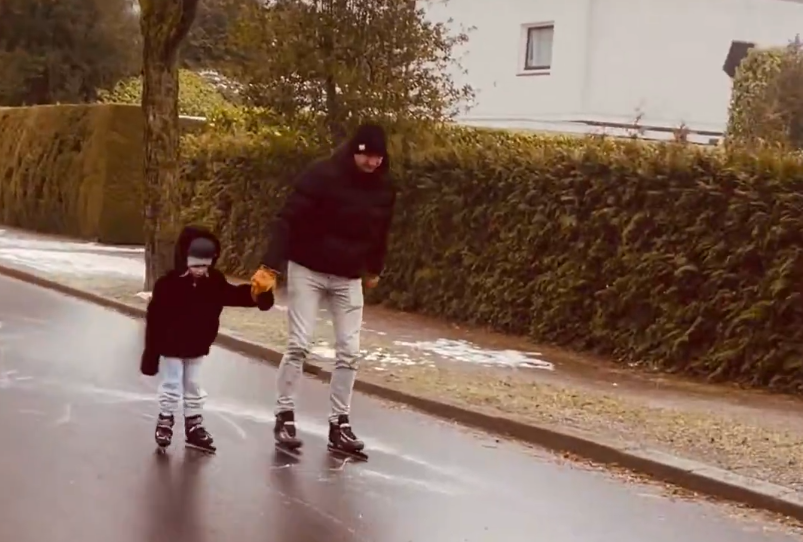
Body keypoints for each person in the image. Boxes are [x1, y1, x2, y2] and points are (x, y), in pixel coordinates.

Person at [250, 123, 396, 455]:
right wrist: (270, 266)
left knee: (349, 351)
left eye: (379, 157)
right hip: (309, 269)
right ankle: (284, 415)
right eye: (369, 156)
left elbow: (380, 231)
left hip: (348, 276)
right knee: (299, 344)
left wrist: (374, 268)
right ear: (356, 151)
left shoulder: (384, 188)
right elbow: (286, 219)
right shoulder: (321, 175)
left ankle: (339, 424)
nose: (374, 163)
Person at [141, 225, 275, 453]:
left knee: (193, 385)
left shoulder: (214, 281)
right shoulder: (168, 284)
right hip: (171, 345)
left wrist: (258, 295)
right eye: (195, 265)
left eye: (205, 265)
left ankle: (194, 425)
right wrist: (151, 355)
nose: (201, 270)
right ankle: (165, 420)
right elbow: (155, 320)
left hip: (196, 345)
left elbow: (233, 295)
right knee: (172, 384)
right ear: (185, 259)